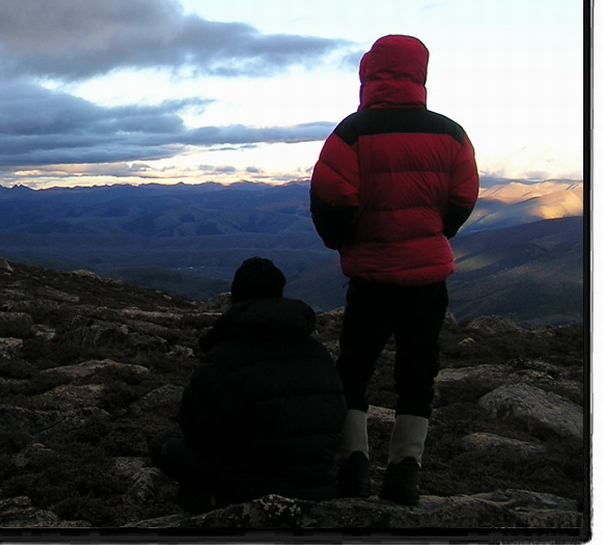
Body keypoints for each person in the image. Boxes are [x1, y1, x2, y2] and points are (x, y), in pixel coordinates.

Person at [310, 34, 479, 505]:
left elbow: (331, 198)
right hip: (427, 278)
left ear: (369, 72)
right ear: (420, 73)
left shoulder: (351, 133)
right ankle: (406, 473)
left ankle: (353, 467)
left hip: (371, 276)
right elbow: (463, 196)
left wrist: (343, 240)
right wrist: (435, 231)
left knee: (354, 368)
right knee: (418, 373)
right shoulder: (451, 133)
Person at [149, 257, 347, 511]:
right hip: (319, 486)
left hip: (249, 486)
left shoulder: (224, 357)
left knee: (163, 445)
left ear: (236, 297)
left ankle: (215, 501)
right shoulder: (317, 352)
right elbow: (336, 419)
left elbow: (197, 432)